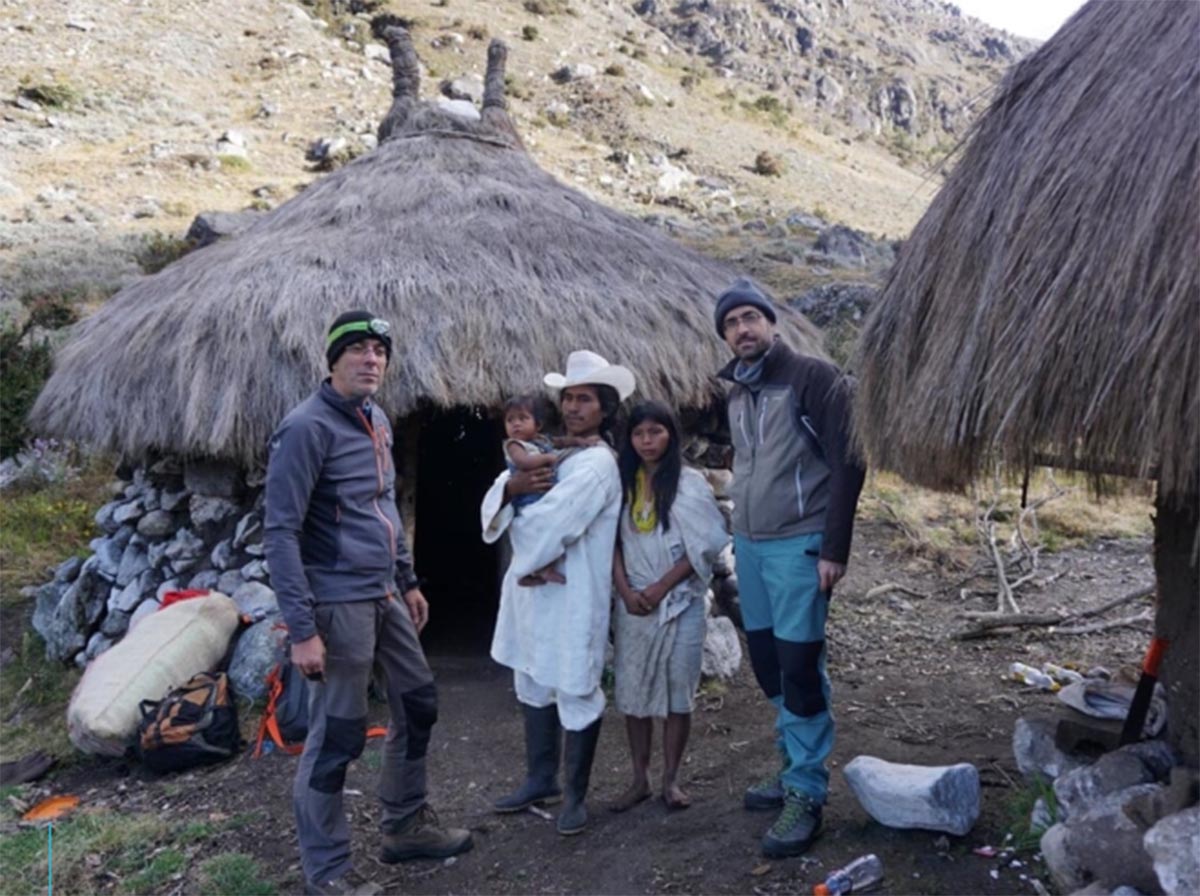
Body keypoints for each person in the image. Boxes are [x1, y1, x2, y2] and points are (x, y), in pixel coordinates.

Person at [265, 310, 472, 896]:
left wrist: (407, 579)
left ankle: (404, 825)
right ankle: (327, 873)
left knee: (419, 702)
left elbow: (382, 504)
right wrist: (303, 629)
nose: (370, 359)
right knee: (339, 733)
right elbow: (280, 532)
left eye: (379, 350)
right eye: (356, 349)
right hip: (336, 602)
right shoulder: (305, 428)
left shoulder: (376, 419)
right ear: (331, 361)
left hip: (384, 595)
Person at [714, 278, 866, 858]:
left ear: (771, 323)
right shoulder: (736, 392)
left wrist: (835, 549)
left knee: (800, 665)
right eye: (731, 323)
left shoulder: (813, 379)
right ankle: (792, 762)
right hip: (750, 546)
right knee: (769, 663)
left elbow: (849, 462)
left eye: (751, 317)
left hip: (800, 545)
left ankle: (806, 791)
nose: (742, 329)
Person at [480, 350, 635, 836]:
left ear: (604, 409)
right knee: (532, 678)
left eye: (584, 399)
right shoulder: (548, 448)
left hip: (572, 592)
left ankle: (575, 795)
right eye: (567, 398)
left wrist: (517, 512)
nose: (573, 407)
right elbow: (498, 489)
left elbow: (554, 523)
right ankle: (539, 778)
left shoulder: (597, 465)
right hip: (532, 595)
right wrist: (509, 491)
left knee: (575, 685)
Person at [609, 402, 729, 812]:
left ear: (671, 435)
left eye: (655, 432)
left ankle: (671, 780)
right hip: (634, 604)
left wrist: (661, 587)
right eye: (639, 434)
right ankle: (639, 778)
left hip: (679, 602)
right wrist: (625, 591)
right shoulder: (621, 482)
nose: (646, 441)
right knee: (633, 689)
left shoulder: (690, 484)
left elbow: (709, 541)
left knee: (679, 692)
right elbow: (611, 542)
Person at [501, 394, 601, 586]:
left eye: (523, 418)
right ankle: (529, 570)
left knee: (546, 533)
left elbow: (561, 442)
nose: (516, 424)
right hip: (527, 498)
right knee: (532, 532)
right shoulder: (514, 445)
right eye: (510, 420)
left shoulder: (542, 441)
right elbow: (524, 462)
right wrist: (548, 459)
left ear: (537, 425)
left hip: (542, 493)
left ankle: (539, 569)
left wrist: (581, 442)